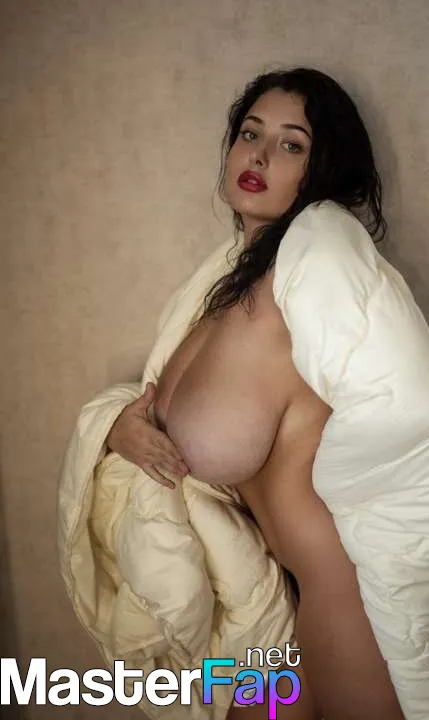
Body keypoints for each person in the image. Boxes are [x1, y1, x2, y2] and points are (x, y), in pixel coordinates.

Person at [105, 67, 405, 719]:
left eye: (292, 144)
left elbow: (409, 409)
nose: (260, 155)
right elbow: (158, 403)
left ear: (323, 171)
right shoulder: (223, 289)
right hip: (268, 602)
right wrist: (119, 429)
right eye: (250, 133)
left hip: (340, 598)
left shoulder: (316, 281)